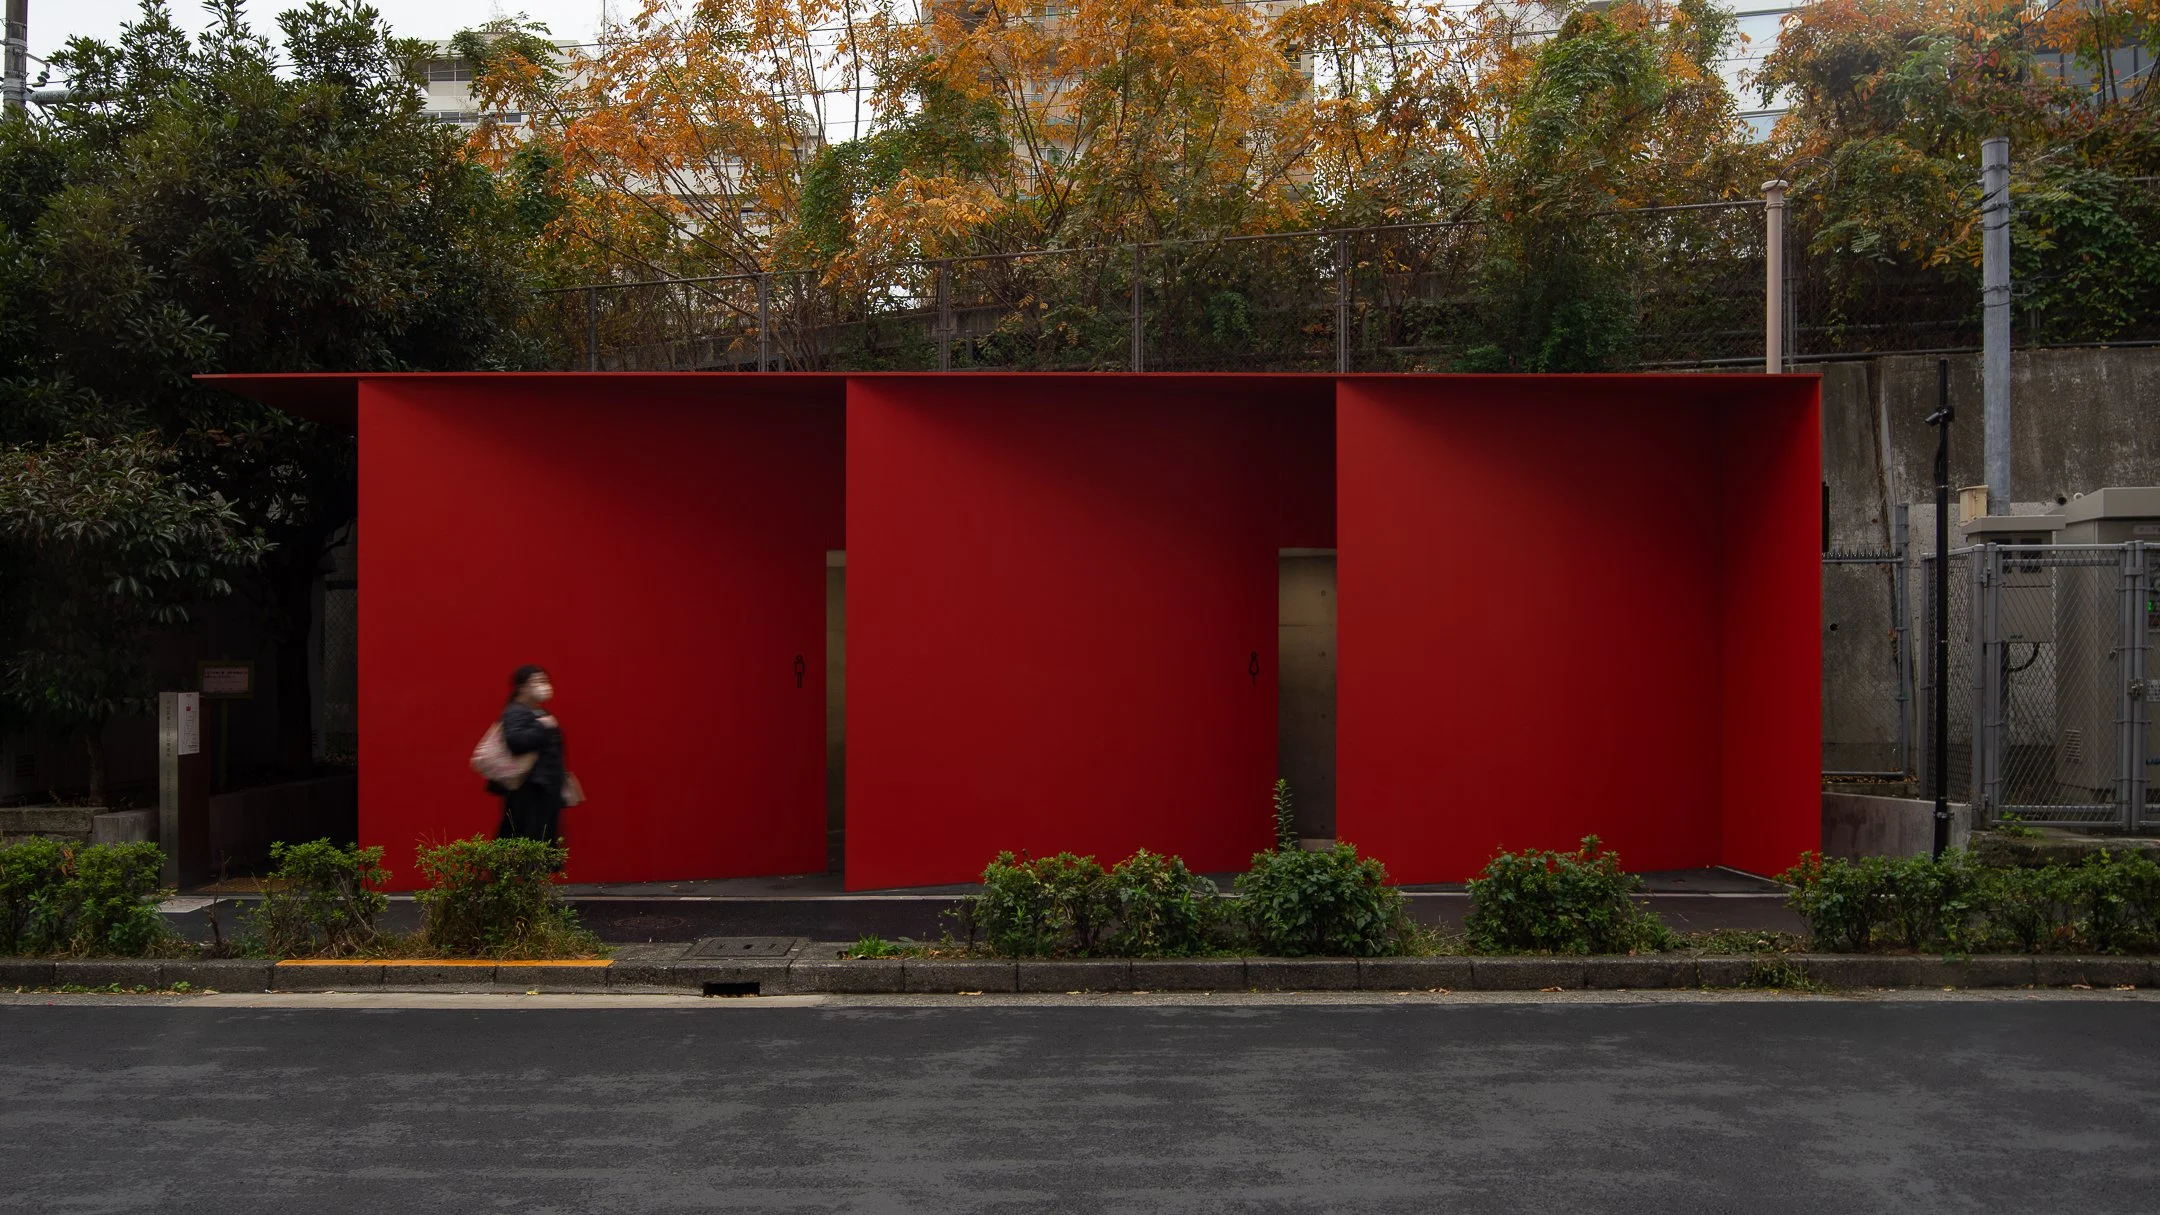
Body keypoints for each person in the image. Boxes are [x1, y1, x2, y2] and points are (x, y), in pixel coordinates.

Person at [497, 664, 569, 843]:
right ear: (522, 687)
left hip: (544, 790)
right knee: (526, 841)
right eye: (537, 681)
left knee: (541, 841)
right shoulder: (515, 711)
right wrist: (541, 727)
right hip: (528, 791)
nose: (543, 685)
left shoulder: (538, 712)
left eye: (545, 680)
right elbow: (515, 741)